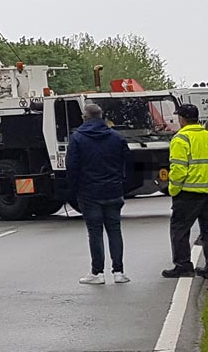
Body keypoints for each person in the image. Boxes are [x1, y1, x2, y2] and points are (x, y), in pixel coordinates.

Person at [67, 104, 133, 285]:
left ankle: (97, 273)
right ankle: (119, 272)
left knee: (95, 232)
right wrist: (122, 184)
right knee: (115, 230)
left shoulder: (78, 138)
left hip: (89, 192)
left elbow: (72, 167)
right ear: (102, 116)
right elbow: (128, 162)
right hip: (113, 189)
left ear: (84, 117)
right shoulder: (116, 137)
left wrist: (72, 191)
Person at [162, 104, 208, 279]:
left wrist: (173, 189)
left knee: (180, 230)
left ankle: (183, 266)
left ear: (182, 119)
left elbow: (179, 168)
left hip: (189, 192)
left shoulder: (181, 138)